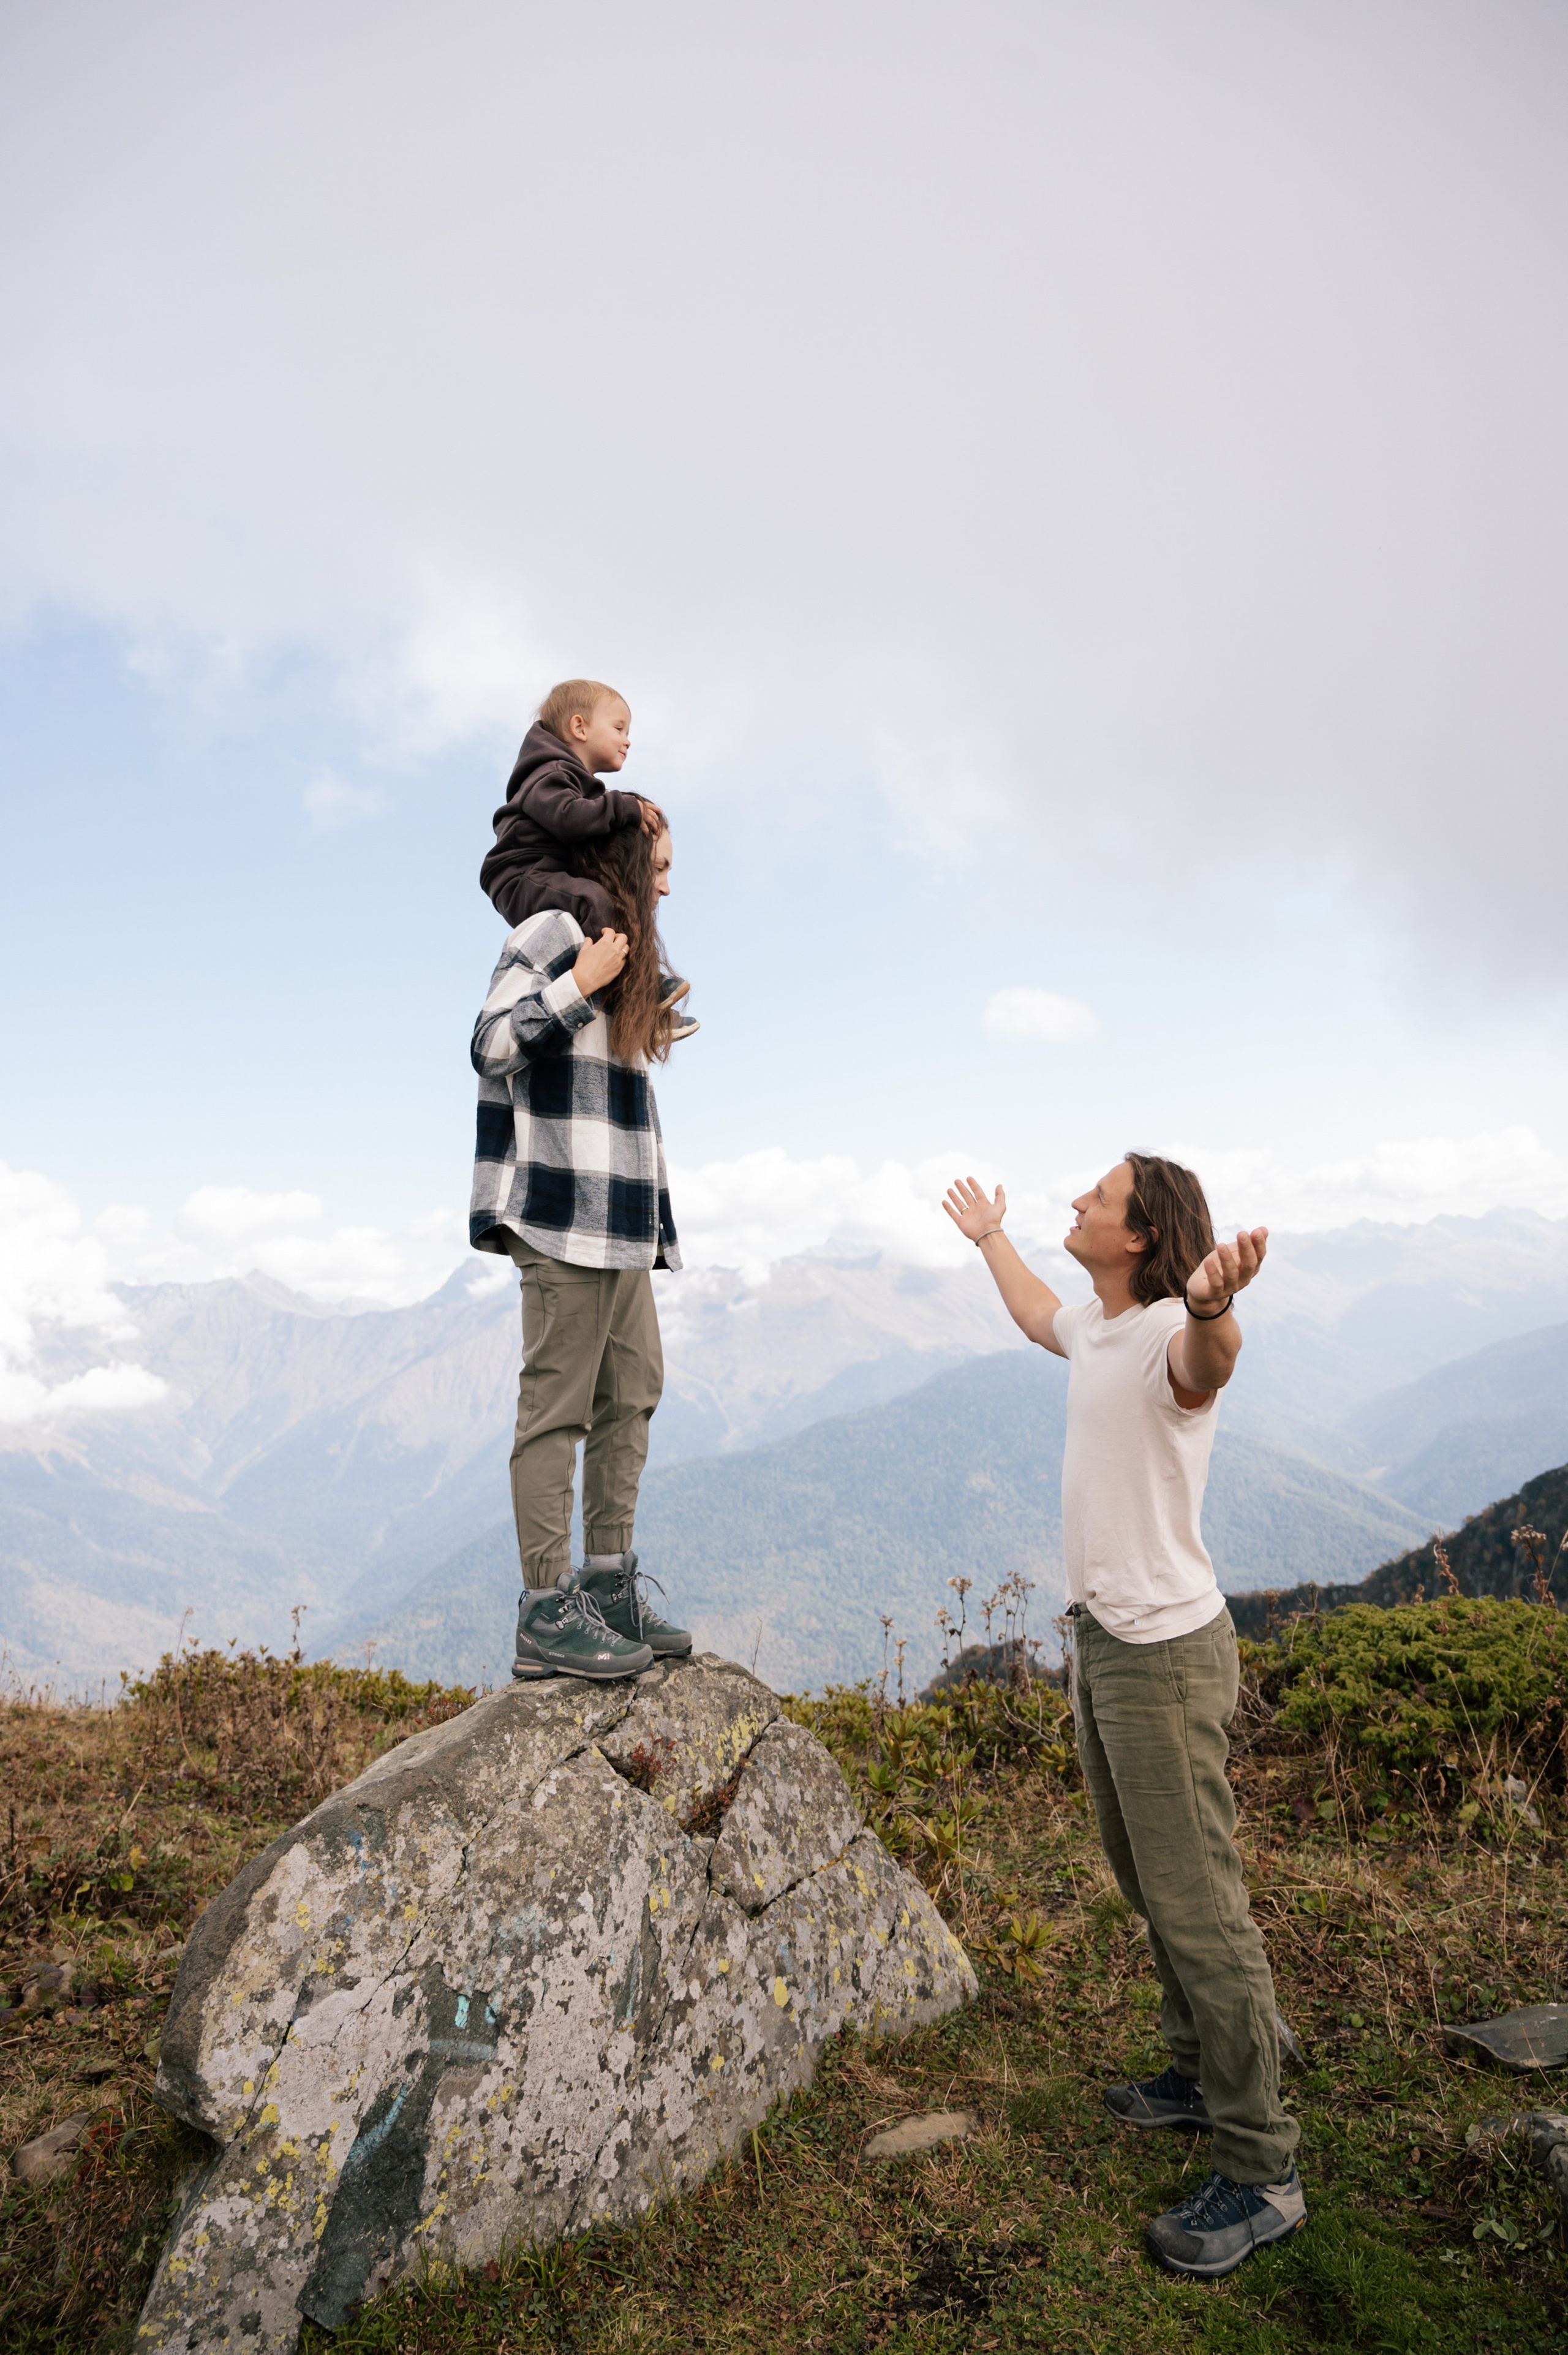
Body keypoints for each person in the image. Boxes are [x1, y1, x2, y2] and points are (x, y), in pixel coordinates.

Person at [943, 1154, 1305, 2280]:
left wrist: (1216, 1308)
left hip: (1164, 1656)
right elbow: (1037, 1316)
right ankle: (1198, 2070)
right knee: (1145, 1877)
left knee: (1201, 1906)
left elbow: (1209, 1363)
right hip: (1104, 1640)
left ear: (1142, 1236)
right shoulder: (1098, 1329)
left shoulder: (1163, 1336)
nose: (1076, 1205)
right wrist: (989, 1239)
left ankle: (1263, 2167)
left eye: (1094, 1198)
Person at [469, 818, 692, 1682]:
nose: (667, 887)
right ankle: (542, 1610)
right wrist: (578, 987)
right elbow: (488, 1046)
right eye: (661, 868)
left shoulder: (618, 948)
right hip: (561, 1214)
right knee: (556, 1411)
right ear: (626, 859)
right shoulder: (550, 934)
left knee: (633, 1390)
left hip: (625, 1218)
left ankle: (605, 1586)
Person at [480, 677, 696, 1037]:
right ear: (579, 727)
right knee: (593, 899)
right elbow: (568, 818)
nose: (628, 740)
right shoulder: (548, 773)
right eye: (618, 728)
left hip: (543, 871)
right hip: (521, 875)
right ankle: (640, 994)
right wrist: (625, 807)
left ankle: (641, 1007)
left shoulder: (567, 777)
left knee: (603, 901)